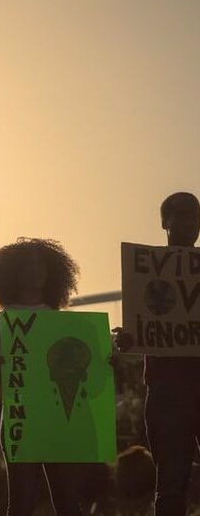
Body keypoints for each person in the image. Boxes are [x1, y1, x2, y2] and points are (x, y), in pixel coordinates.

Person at [0, 237, 83, 516]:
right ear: (12, 272)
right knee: (21, 503)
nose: (35, 271)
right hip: (19, 419)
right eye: (27, 265)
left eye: (41, 265)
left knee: (68, 502)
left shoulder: (64, 323)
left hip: (60, 419)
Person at [113, 192, 200, 516]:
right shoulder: (147, 273)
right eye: (180, 215)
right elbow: (143, 328)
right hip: (167, 390)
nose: (189, 222)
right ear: (164, 222)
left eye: (194, 215)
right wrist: (130, 340)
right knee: (171, 485)